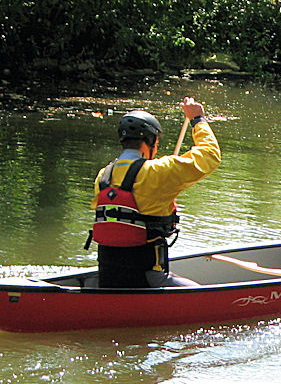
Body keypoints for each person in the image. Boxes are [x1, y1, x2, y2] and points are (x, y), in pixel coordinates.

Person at [87, 97, 222, 287]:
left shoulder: (103, 176)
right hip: (147, 278)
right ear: (150, 141)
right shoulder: (158, 171)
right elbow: (210, 156)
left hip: (108, 275)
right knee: (204, 296)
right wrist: (197, 119)